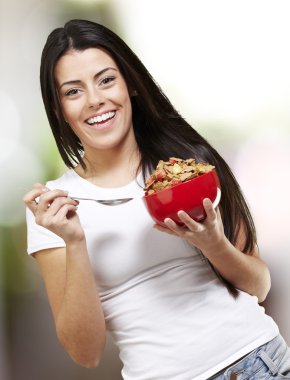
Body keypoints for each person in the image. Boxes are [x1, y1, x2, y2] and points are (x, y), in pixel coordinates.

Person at [23, 19, 290, 380]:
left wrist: (213, 243)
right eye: (73, 91)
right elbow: (85, 353)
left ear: (130, 83)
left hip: (258, 362)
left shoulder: (189, 165)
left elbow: (259, 286)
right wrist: (74, 241)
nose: (95, 100)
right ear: (57, 109)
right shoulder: (55, 210)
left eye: (106, 80)